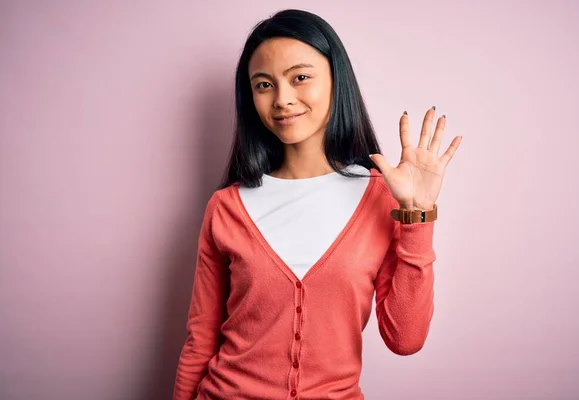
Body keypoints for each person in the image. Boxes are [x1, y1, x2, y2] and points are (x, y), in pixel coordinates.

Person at [173, 8, 462, 400]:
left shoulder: (382, 198)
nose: (282, 99)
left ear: (335, 79)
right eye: (263, 85)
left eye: (300, 77)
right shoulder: (227, 206)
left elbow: (405, 339)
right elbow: (200, 341)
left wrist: (418, 216)